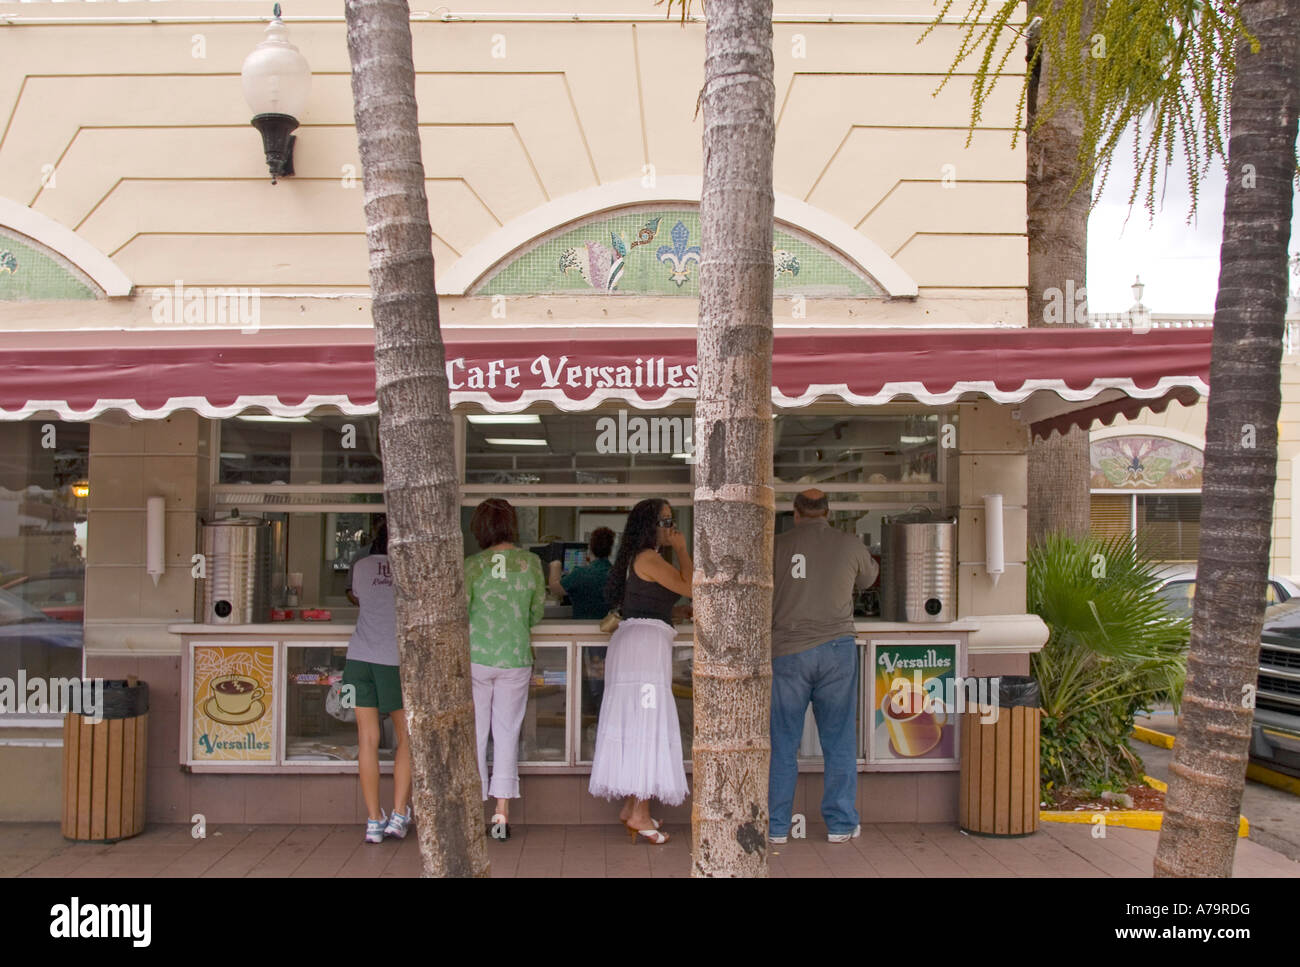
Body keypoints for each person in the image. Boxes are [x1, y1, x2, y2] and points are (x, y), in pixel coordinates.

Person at [769, 489, 879, 844]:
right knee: (839, 739)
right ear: (827, 512)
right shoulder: (849, 544)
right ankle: (841, 824)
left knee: (783, 741)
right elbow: (869, 580)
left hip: (788, 650)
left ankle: (777, 827)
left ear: (796, 513)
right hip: (836, 650)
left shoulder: (776, 545)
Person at [588, 499, 691, 844]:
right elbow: (690, 586)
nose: (670, 526)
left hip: (635, 648)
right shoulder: (650, 558)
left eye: (671, 521)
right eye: (665, 521)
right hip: (644, 653)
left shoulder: (637, 558)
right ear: (651, 525)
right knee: (647, 724)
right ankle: (640, 813)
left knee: (636, 723)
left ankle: (633, 805)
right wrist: (682, 549)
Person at [465, 498, 545, 840]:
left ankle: (471, 810)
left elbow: (463, 611)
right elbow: (536, 612)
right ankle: (500, 814)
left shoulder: (472, 566)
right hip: (514, 657)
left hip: (477, 657)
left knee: (476, 734)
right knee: (507, 733)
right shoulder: (531, 563)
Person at [342, 524, 412, 843]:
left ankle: (373, 820)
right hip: (393, 660)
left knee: (366, 740)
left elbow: (357, 598)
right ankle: (398, 815)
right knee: (406, 738)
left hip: (358, 660)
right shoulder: (410, 569)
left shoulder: (361, 566)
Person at [562, 527, 616, 619]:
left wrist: (555, 565)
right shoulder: (617, 575)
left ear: (590, 549)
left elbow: (556, 589)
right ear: (610, 550)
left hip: (582, 628)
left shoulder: (578, 574)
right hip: (608, 628)